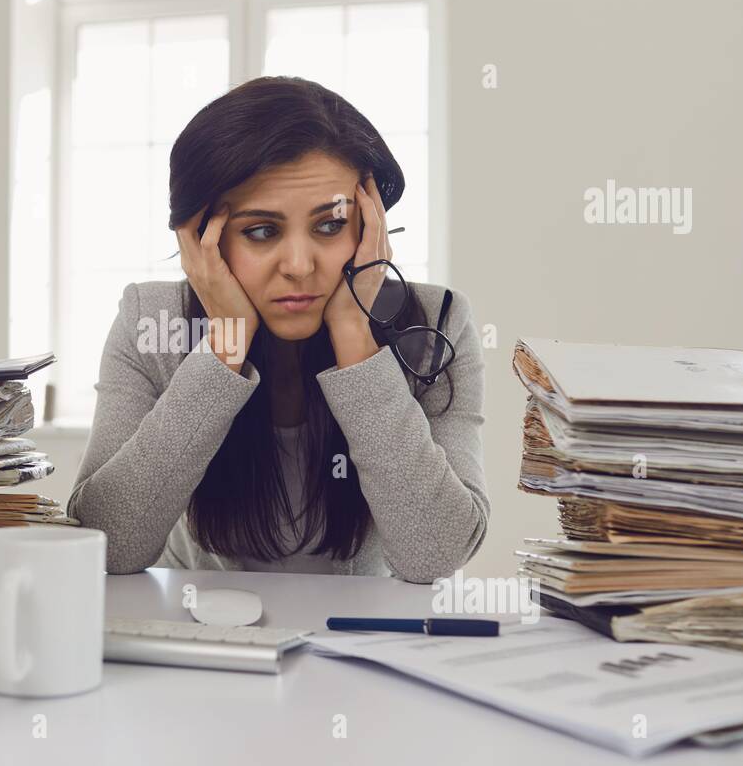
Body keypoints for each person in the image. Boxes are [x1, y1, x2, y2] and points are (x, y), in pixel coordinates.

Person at [67, 76, 488, 582]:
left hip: (365, 644)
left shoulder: (435, 324)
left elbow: (436, 554)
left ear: (370, 224)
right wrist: (225, 344)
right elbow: (106, 547)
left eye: (330, 225)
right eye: (261, 231)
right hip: (195, 634)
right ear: (201, 238)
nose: (298, 265)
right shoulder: (152, 323)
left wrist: (355, 334)